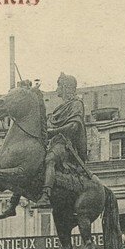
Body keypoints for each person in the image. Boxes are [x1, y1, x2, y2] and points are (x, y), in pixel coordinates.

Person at [31, 73, 87, 209]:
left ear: (66, 87)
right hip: (54, 142)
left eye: (59, 86)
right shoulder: (60, 108)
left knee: (49, 159)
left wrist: (53, 132)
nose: (57, 89)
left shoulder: (76, 104)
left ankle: (46, 195)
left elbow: (74, 127)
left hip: (66, 145)